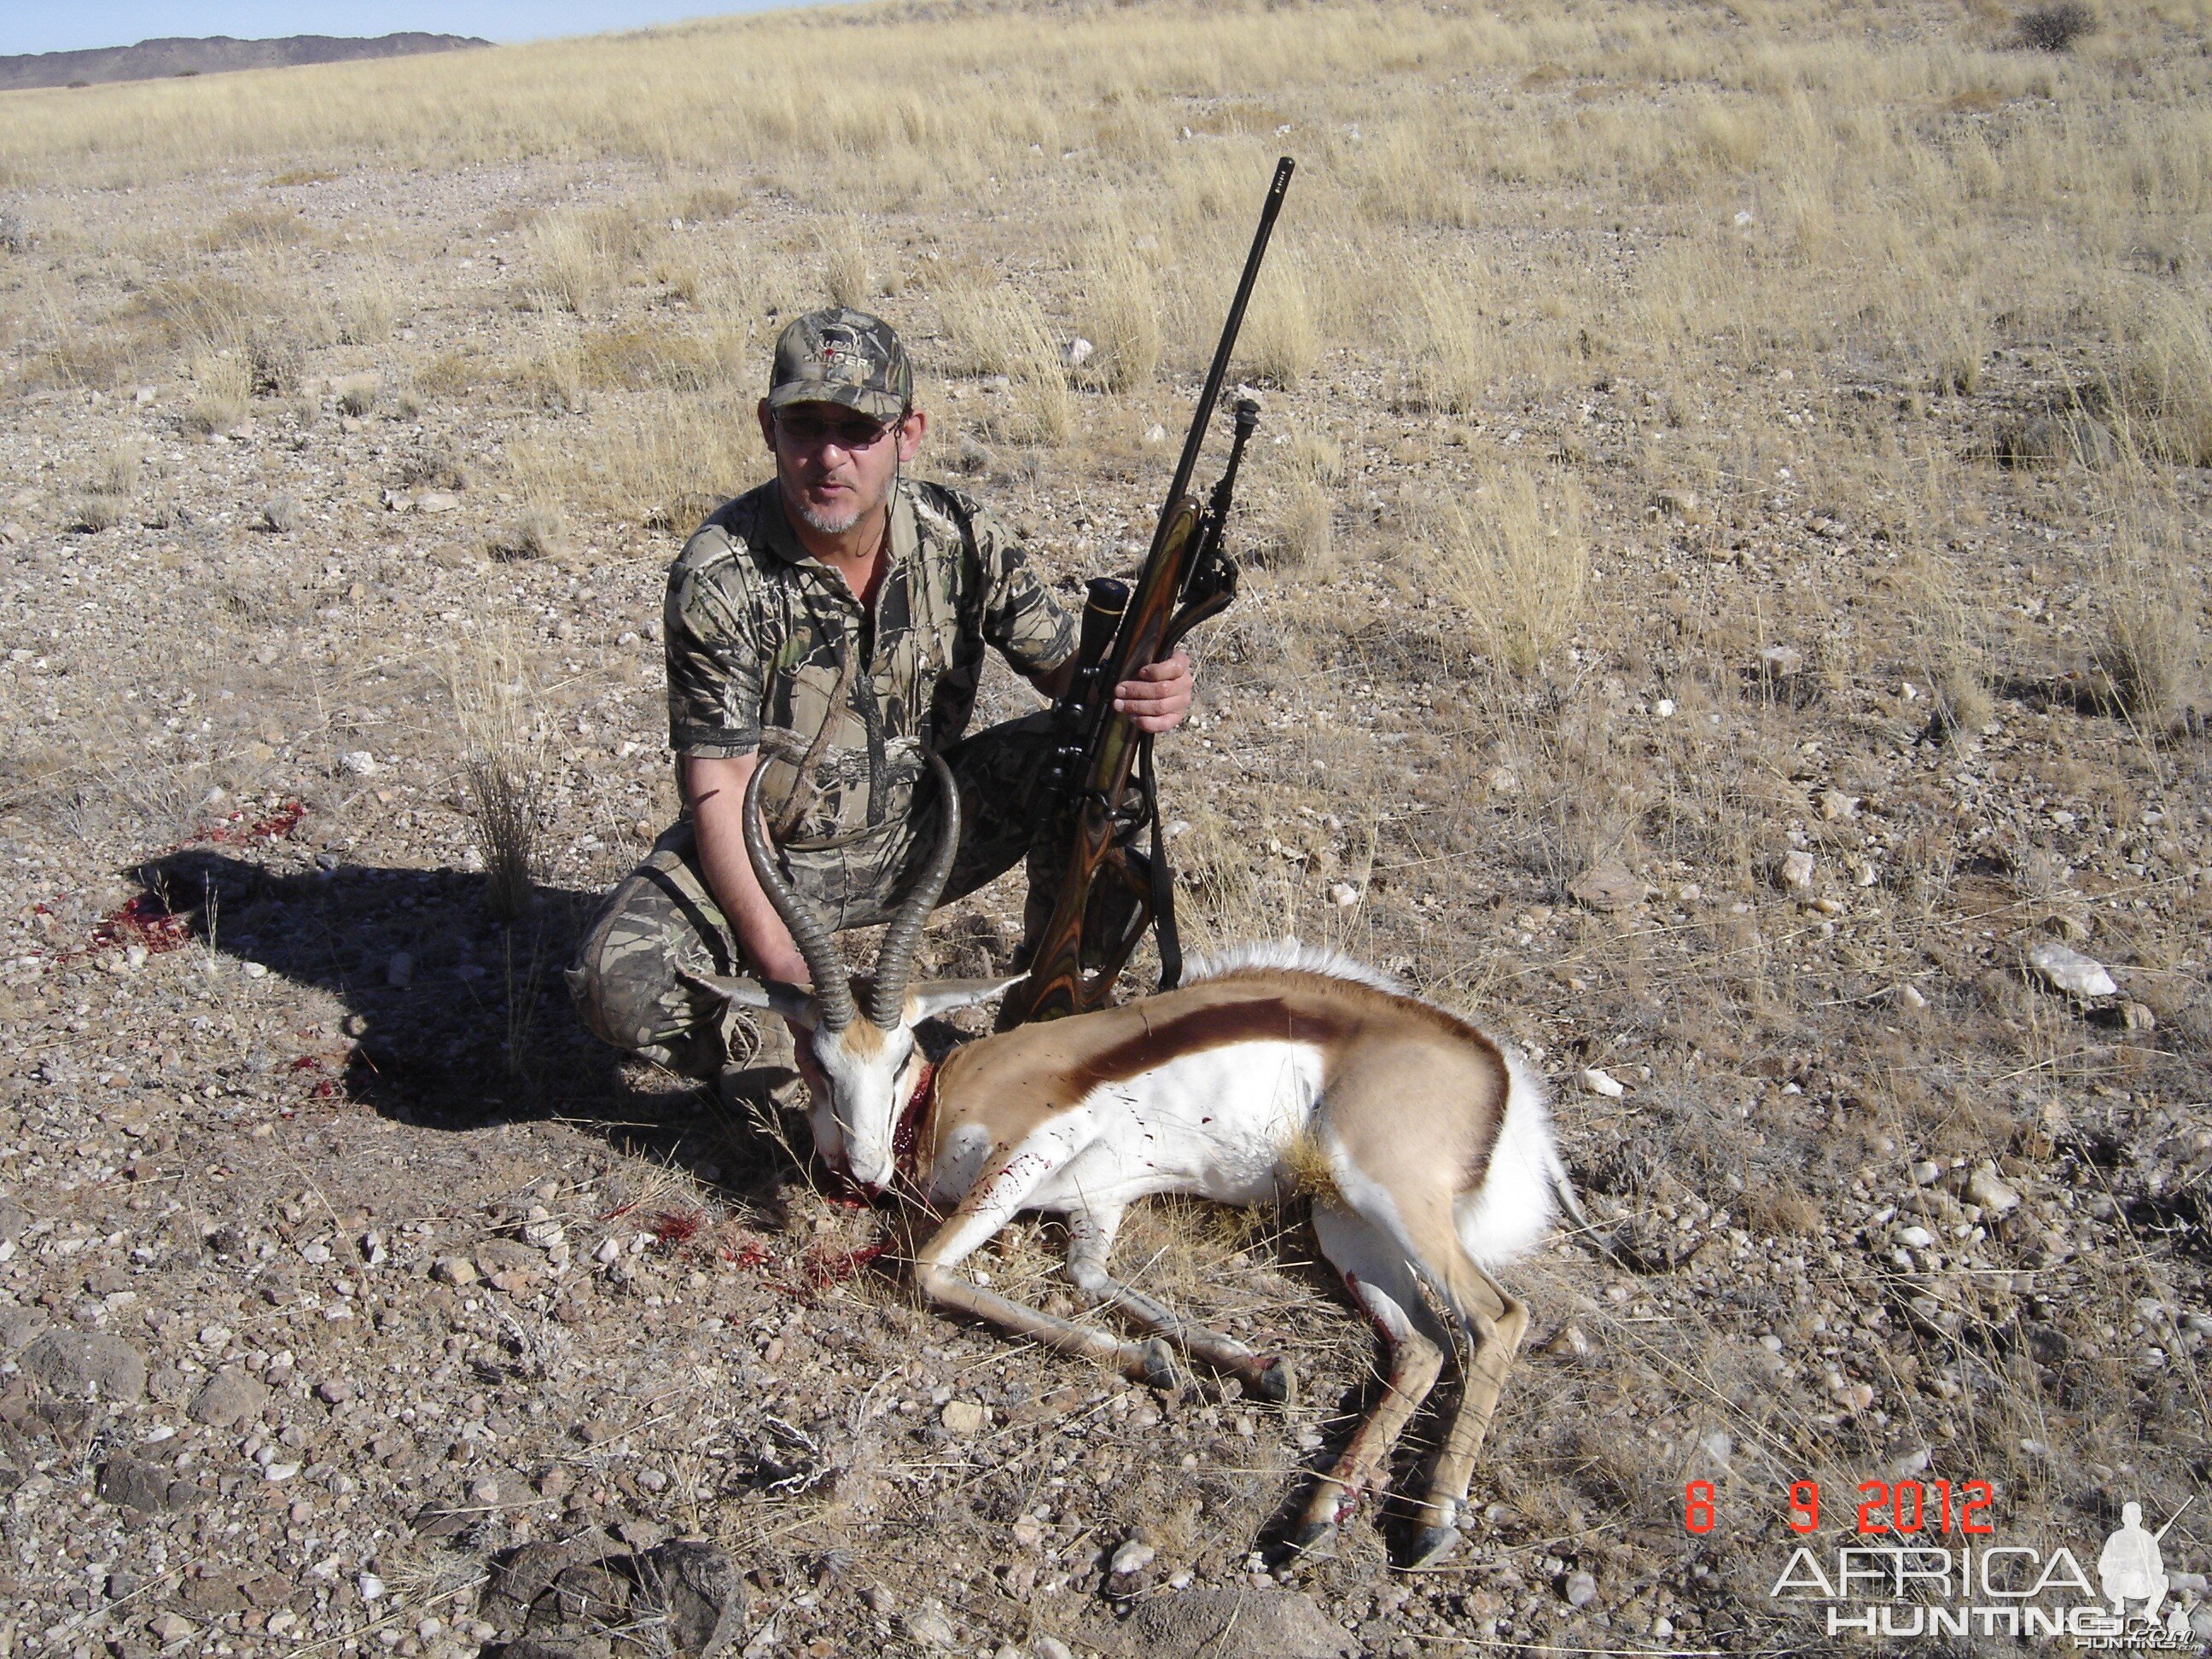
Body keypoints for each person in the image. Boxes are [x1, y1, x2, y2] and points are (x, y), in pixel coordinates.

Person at [566, 307, 1193, 1095]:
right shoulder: (719, 575)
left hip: (928, 834)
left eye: (859, 430)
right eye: (805, 425)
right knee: (615, 987)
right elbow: (719, 793)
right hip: (776, 858)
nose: (828, 456)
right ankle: (766, 1066)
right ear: (768, 427)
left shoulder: (962, 535)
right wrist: (798, 993)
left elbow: (1075, 675)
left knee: (1104, 760)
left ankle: (1053, 1006)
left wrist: (1153, 685)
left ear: (909, 432)